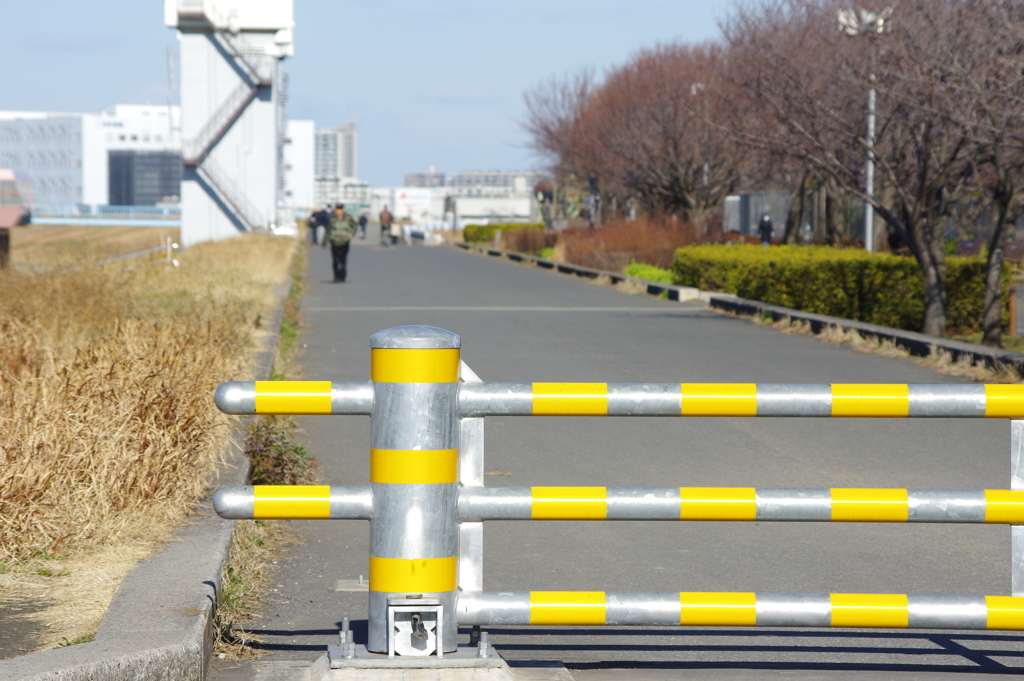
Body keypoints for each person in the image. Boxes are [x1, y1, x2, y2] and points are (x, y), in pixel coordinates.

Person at [323, 203, 358, 282]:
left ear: (343, 210)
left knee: (343, 259)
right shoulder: (332, 218)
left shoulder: (348, 218)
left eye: (340, 210)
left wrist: (351, 233)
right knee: (335, 260)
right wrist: (324, 242)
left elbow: (354, 226)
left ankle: (342, 276)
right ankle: (336, 276)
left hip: (344, 241)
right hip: (334, 241)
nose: (338, 211)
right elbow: (327, 231)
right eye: (337, 210)